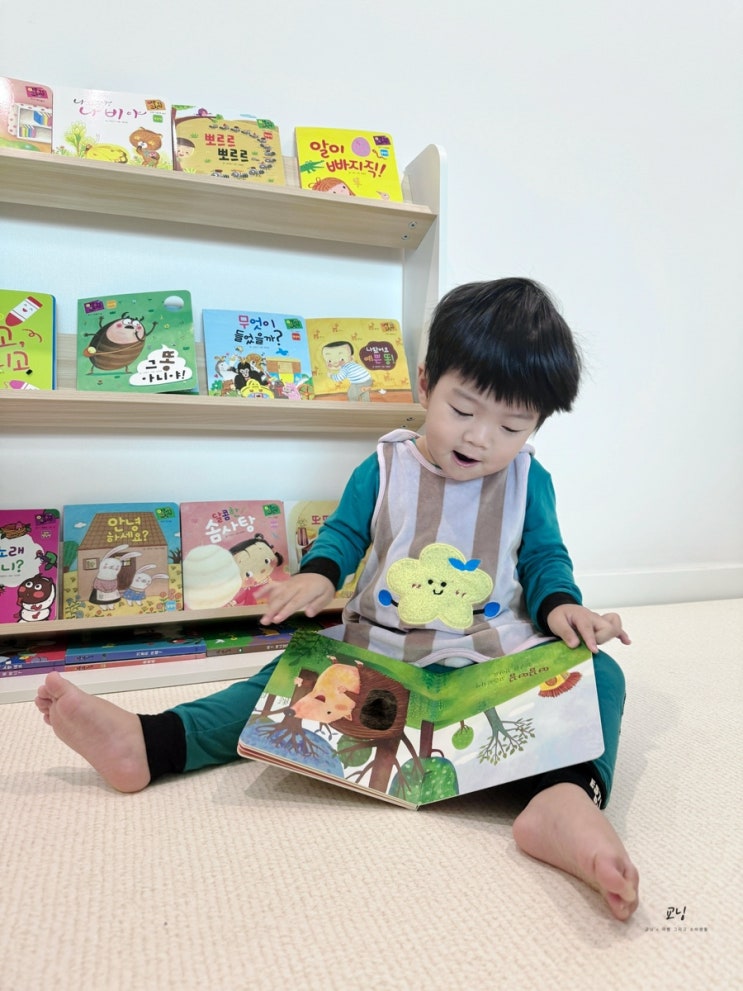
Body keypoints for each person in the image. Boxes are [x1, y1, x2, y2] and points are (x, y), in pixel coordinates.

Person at [35, 278, 639, 921]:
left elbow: (544, 558)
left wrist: (563, 607)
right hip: (377, 655)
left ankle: (564, 798)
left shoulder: (528, 479)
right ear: (425, 383)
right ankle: (153, 742)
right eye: (463, 411)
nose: (481, 439)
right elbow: (345, 535)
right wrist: (321, 576)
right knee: (278, 682)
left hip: (491, 659)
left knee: (600, 675)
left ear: (535, 425)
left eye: (512, 426)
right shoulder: (385, 465)